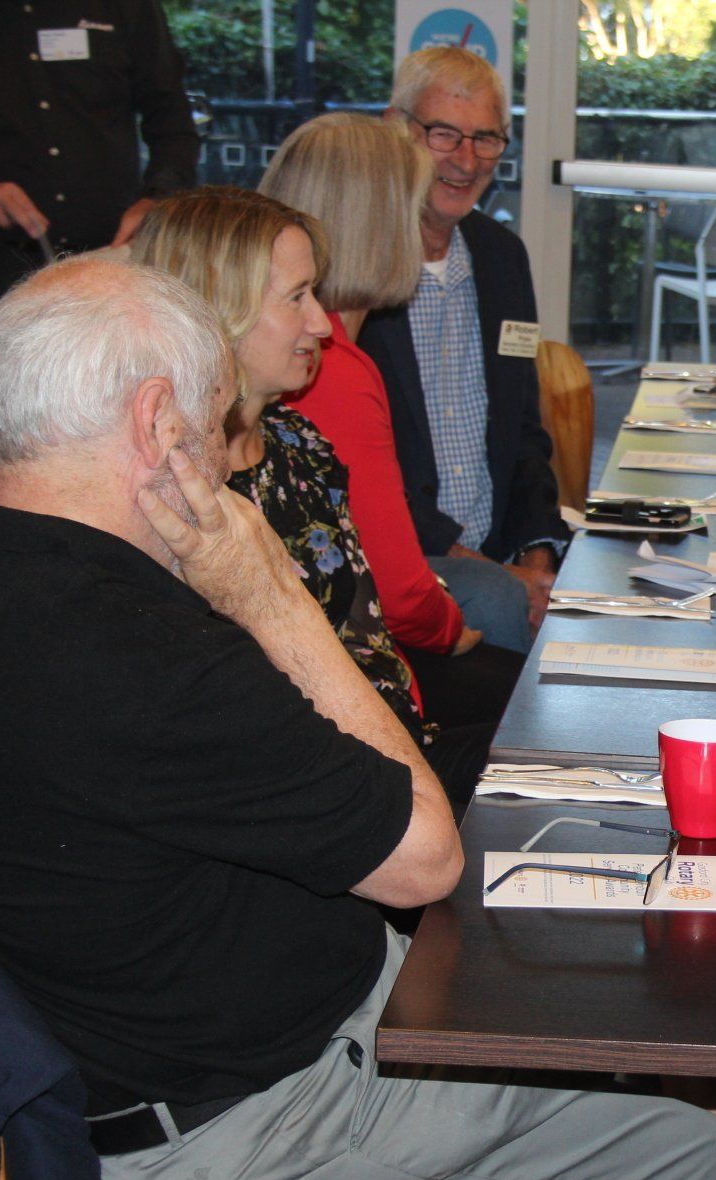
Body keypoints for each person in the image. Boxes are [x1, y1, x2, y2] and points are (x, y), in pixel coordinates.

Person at [0, 256, 716, 1180]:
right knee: (697, 1170)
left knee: (597, 1026)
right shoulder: (132, 651)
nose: (228, 458)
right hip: (255, 1119)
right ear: (156, 423)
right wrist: (269, 593)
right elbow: (423, 861)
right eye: (214, 424)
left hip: (178, 1056)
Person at [130, 185, 496, 815]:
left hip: (390, 753)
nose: (323, 325)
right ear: (216, 308)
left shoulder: (298, 441)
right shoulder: (170, 491)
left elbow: (365, 633)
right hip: (303, 789)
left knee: (571, 744)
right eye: (296, 297)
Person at [260, 114, 526, 741]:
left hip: (304, 634)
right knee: (530, 694)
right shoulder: (333, 366)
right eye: (412, 213)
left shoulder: (305, 348)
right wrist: (453, 633)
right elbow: (400, 595)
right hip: (336, 670)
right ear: (378, 229)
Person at [360, 46, 569, 650]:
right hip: (409, 566)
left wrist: (536, 555)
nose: (467, 159)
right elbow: (358, 477)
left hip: (501, 557)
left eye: (486, 139)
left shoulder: (502, 257)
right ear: (396, 129)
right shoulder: (355, 269)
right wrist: (494, 575)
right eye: (444, 134)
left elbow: (523, 433)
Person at [0, 0, 199, 469]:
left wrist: (157, 198)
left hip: (110, 264)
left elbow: (172, 119)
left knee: (130, 439)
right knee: (7, 455)